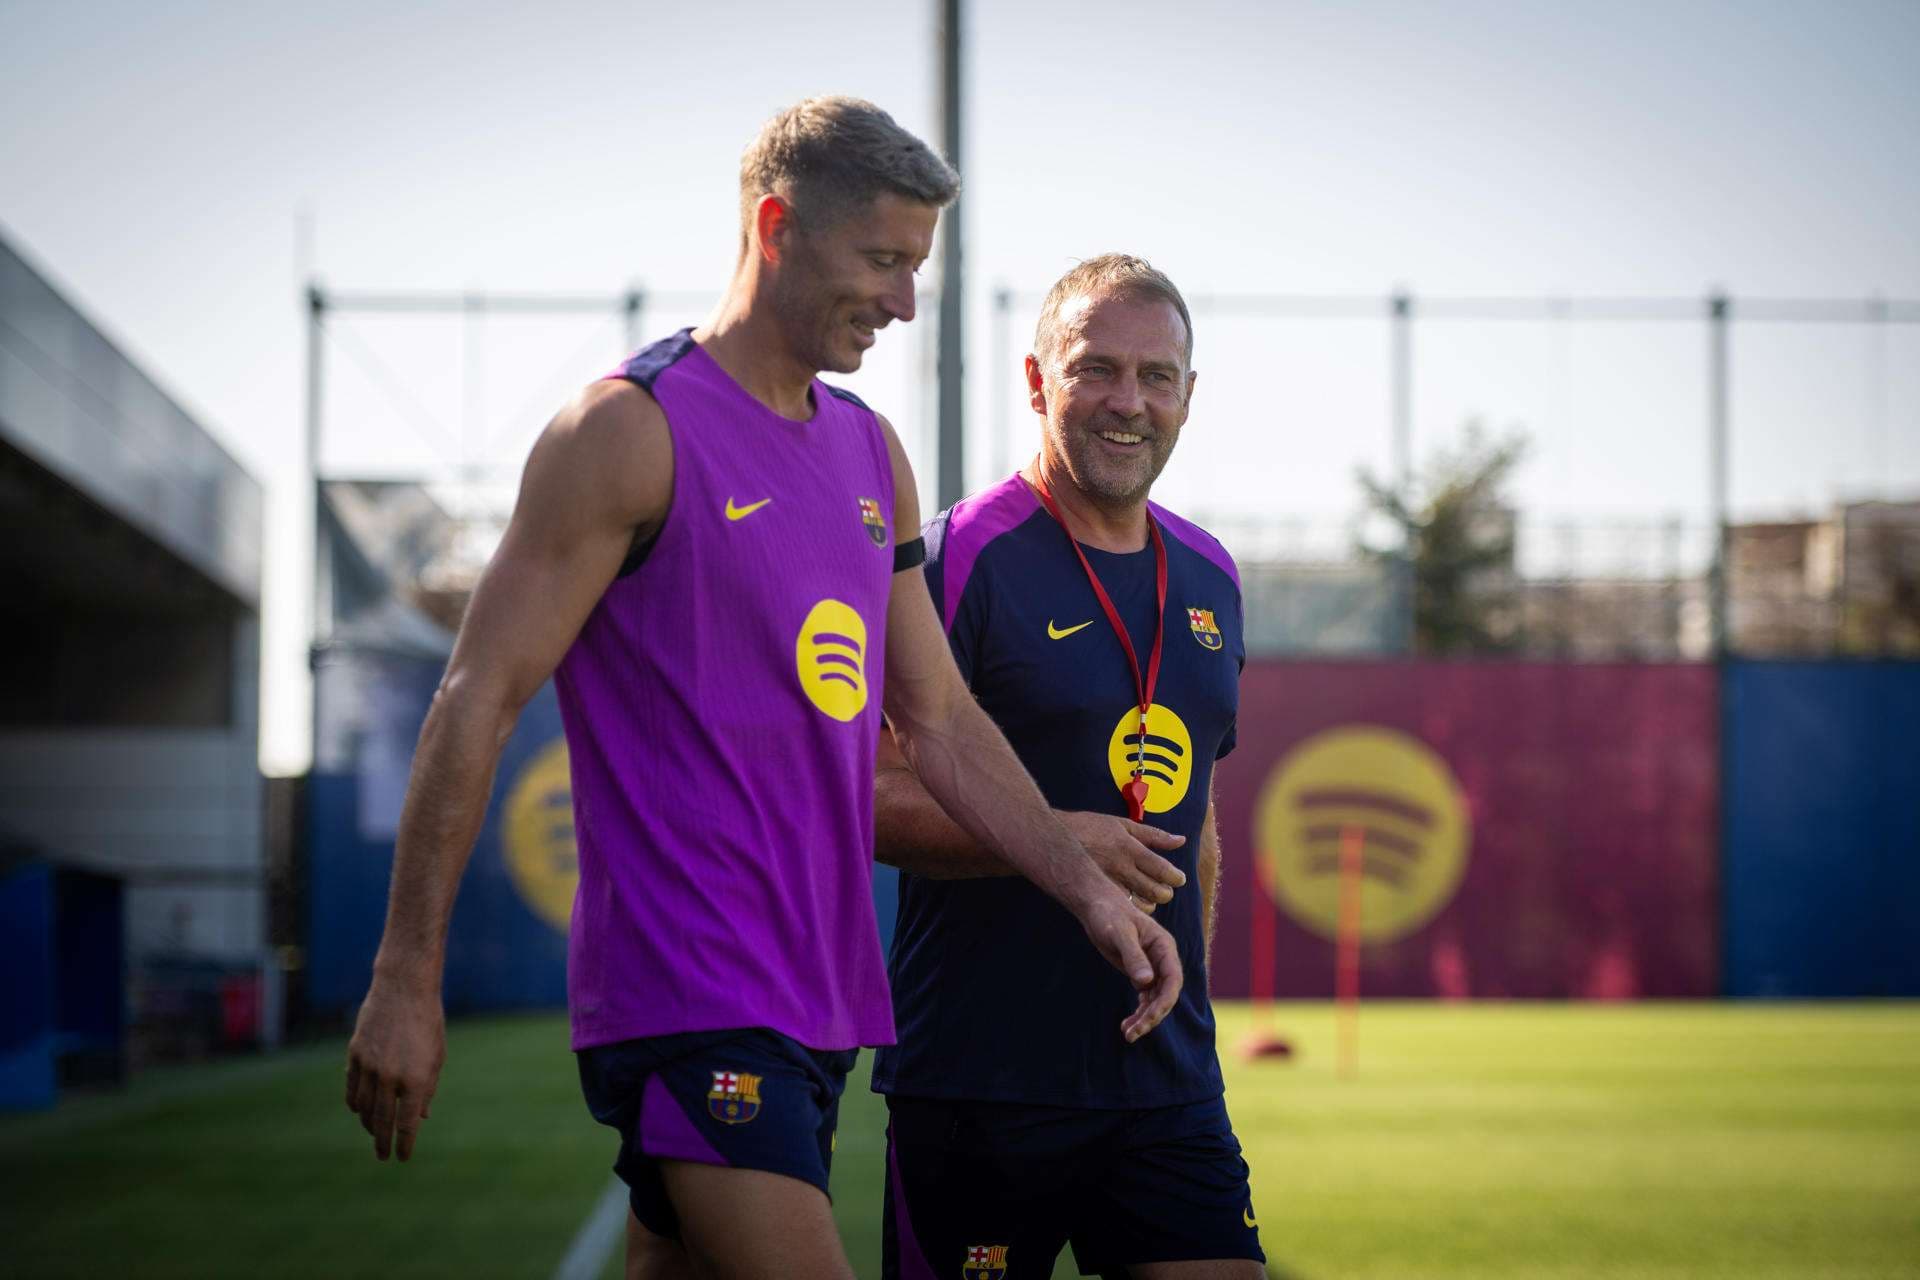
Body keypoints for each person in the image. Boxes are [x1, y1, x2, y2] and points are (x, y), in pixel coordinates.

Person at [342, 102, 1182, 1280]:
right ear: (776, 227)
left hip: (825, 992)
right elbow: (474, 695)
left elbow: (938, 719)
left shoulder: (869, 449)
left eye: (916, 270)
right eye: (883, 261)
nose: (902, 302)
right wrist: (402, 976)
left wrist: (1084, 885)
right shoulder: (626, 432)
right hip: (690, 985)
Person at [873, 255, 1263, 1278]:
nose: (1128, 402)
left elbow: (1199, 821)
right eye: (1097, 369)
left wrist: (1195, 1005)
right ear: (1039, 380)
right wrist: (1060, 847)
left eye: (1157, 375)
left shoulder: (1213, 573)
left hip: (1165, 1082)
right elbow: (868, 796)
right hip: (981, 1085)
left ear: (1188, 394)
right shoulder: (956, 557)